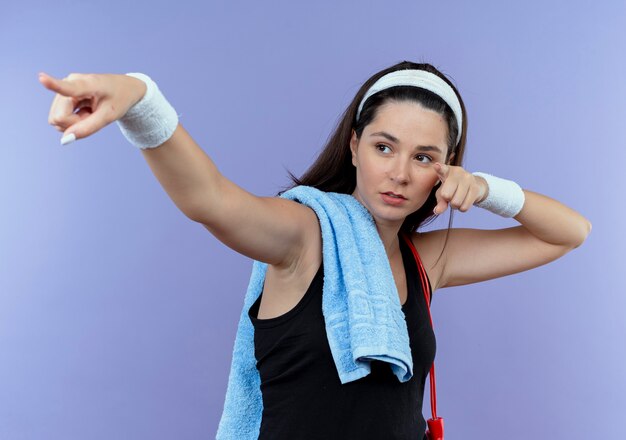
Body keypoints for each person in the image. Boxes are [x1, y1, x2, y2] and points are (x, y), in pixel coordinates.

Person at [39, 61, 592, 439]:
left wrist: (491, 190)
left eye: (425, 158)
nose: (399, 173)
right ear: (354, 146)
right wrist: (140, 98)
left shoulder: (428, 259)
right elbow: (209, 199)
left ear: (445, 169)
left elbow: (568, 232)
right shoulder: (305, 233)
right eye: (384, 147)